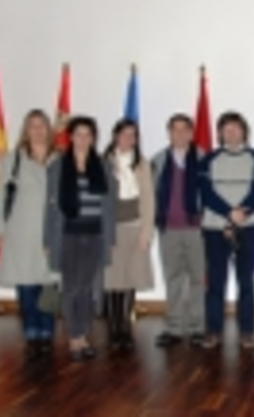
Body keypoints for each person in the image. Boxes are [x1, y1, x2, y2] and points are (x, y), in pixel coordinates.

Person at [45, 116, 116, 361]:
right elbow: (50, 208)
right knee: (71, 287)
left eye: (88, 134)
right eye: (78, 134)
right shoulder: (57, 167)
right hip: (67, 235)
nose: (83, 139)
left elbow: (110, 206)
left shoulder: (103, 166)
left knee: (88, 287)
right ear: (70, 137)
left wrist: (111, 238)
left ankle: (83, 335)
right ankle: (75, 338)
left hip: (95, 234)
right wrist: (47, 240)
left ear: (94, 138)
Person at [0, 109, 57, 357]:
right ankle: (32, 334)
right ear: (25, 131)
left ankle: (47, 333)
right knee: (27, 286)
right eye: (32, 126)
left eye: (42, 125)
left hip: (51, 232)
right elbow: (0, 196)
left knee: (49, 285)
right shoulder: (13, 160)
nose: (38, 130)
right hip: (22, 232)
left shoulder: (60, 159)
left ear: (49, 130)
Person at [199, 111, 254, 350]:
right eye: (226, 129)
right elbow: (206, 194)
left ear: (244, 131)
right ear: (219, 133)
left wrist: (242, 213)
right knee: (216, 281)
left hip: (247, 227)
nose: (231, 132)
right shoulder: (208, 159)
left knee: (245, 281)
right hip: (215, 228)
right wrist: (229, 213)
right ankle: (213, 330)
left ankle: (247, 331)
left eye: (236, 128)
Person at [152, 114, 206, 348]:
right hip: (169, 229)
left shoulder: (204, 159)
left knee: (198, 279)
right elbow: (151, 195)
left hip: (197, 229)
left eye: (185, 129)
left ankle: (197, 327)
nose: (180, 134)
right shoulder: (158, 160)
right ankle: (173, 328)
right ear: (169, 133)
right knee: (173, 278)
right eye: (175, 130)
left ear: (192, 133)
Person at [102, 119, 155, 350]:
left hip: (135, 227)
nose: (129, 139)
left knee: (131, 278)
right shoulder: (103, 163)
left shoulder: (142, 164)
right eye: (124, 134)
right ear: (115, 136)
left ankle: (125, 328)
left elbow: (149, 201)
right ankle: (114, 329)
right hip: (111, 229)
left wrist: (146, 232)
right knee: (114, 281)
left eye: (133, 135)